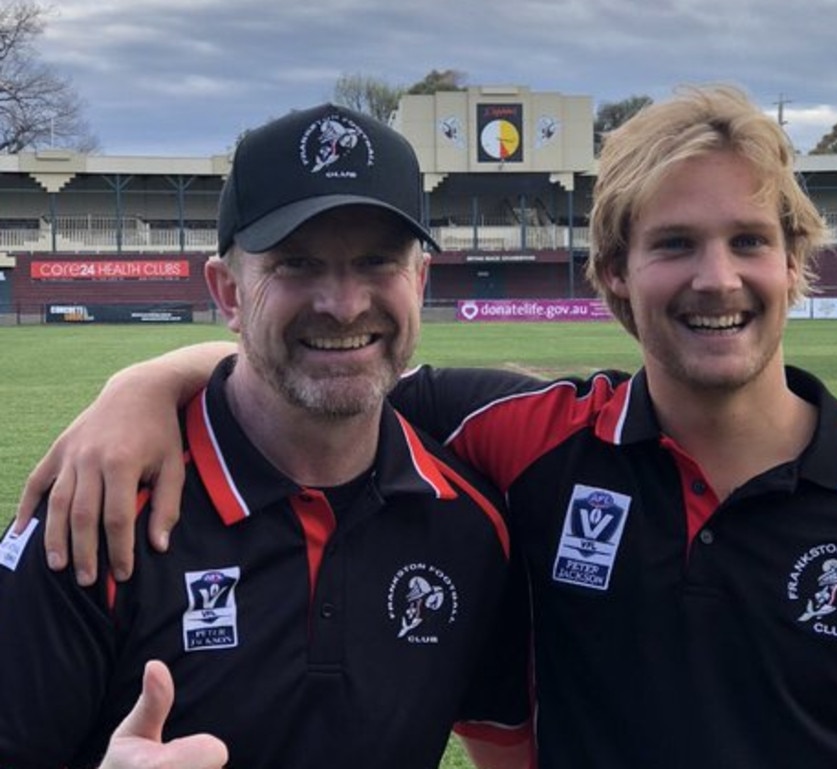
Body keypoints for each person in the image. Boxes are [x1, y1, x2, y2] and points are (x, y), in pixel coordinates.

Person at [14, 84, 837, 768]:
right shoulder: (528, 445)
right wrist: (141, 386)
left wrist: (144, 377)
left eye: (747, 241)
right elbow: (317, 384)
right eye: (673, 242)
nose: (715, 278)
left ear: (794, 261)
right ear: (613, 276)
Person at [0, 103, 532, 769]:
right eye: (297, 264)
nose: (343, 303)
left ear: (420, 281)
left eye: (377, 261)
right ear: (227, 292)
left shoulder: (472, 525)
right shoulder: (94, 512)